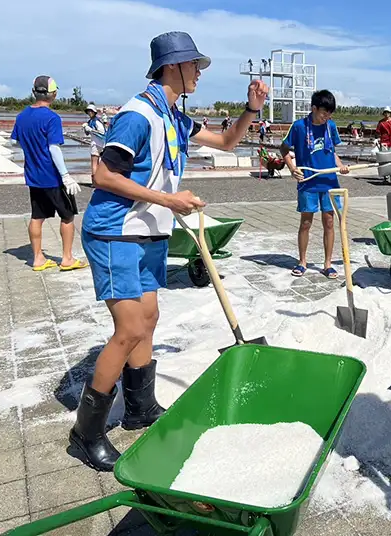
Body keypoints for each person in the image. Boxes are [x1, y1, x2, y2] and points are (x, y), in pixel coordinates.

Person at [71, 31, 268, 471]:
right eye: (194, 65)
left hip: (147, 231)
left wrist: (251, 109)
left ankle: (140, 407)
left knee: (149, 319)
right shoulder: (138, 114)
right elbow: (104, 176)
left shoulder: (174, 115)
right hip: (114, 232)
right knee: (128, 328)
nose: (199, 72)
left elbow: (227, 142)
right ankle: (85, 433)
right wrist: (169, 200)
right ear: (172, 66)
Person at [11, 76, 87, 272]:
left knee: (37, 217)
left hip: (33, 176)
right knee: (68, 216)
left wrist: (32, 148)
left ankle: (37, 259)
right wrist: (66, 176)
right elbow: (54, 149)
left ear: (34, 92)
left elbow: (15, 142)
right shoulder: (52, 118)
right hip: (52, 177)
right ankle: (67, 259)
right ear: (53, 94)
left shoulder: (21, 117)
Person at [282, 90, 350, 279]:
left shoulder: (331, 126)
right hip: (308, 182)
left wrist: (341, 166)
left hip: (329, 182)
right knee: (306, 222)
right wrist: (292, 168)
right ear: (313, 108)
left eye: (329, 114)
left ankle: (327, 264)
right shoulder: (299, 127)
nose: (326, 117)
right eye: (323, 113)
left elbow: (332, 152)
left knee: (329, 222)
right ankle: (302, 261)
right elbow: (284, 148)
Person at [83, 104, 106, 179]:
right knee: (96, 162)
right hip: (96, 144)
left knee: (96, 162)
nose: (89, 113)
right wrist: (85, 128)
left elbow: (102, 133)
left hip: (99, 144)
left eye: (91, 111)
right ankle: (96, 179)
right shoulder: (90, 121)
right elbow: (87, 134)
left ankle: (97, 180)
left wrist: (90, 129)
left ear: (94, 112)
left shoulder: (96, 122)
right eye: (88, 111)